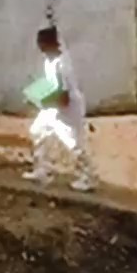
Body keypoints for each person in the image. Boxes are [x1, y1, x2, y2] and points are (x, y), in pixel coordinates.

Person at [26, 18, 91, 189]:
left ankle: (87, 177)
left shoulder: (61, 65)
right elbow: (51, 86)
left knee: (73, 143)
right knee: (38, 132)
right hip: (54, 107)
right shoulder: (49, 61)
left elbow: (63, 97)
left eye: (41, 42)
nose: (38, 46)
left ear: (48, 43)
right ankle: (42, 170)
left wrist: (42, 100)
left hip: (67, 108)